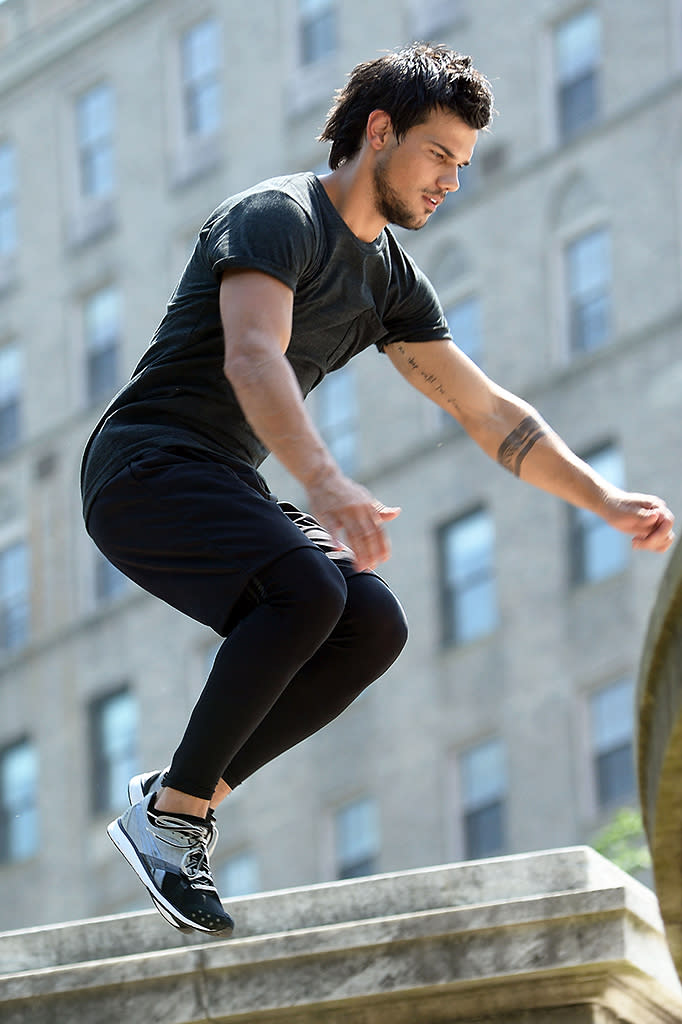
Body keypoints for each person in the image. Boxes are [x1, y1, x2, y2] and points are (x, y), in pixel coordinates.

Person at [81, 43, 675, 937]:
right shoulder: (276, 216)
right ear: (380, 131)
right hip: (143, 466)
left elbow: (485, 411)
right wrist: (324, 480)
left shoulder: (388, 277)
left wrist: (604, 500)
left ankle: (179, 798)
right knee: (307, 587)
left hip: (216, 476)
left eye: (463, 167)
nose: (451, 183)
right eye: (439, 155)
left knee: (371, 624)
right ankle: (170, 821)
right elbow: (252, 354)